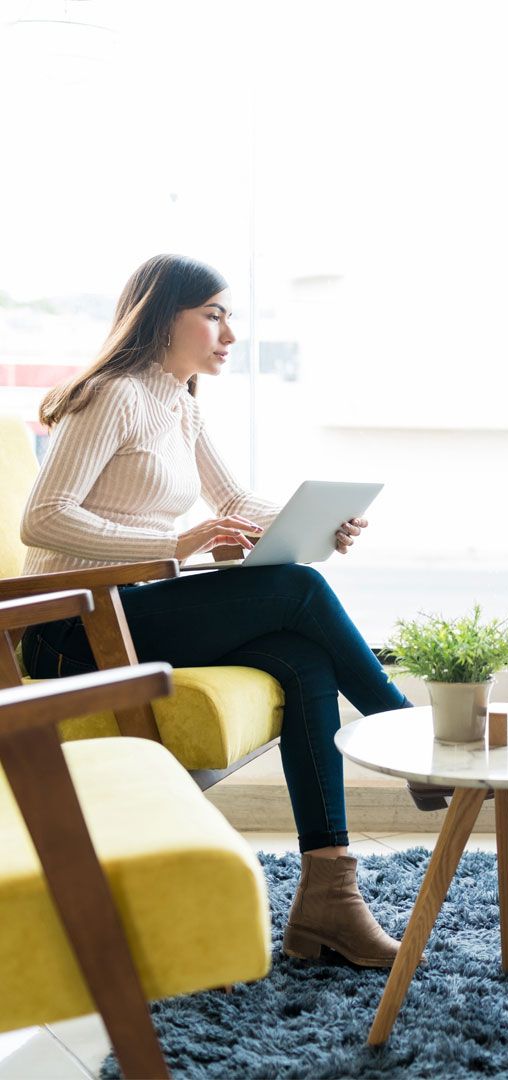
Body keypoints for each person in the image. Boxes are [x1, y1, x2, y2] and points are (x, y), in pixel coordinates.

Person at [20, 253, 419, 969]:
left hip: (127, 613)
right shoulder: (113, 394)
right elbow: (44, 519)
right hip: (65, 630)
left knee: (301, 658)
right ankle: (405, 734)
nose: (229, 331)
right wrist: (176, 541)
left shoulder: (179, 400)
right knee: (298, 593)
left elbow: (233, 503)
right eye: (213, 314)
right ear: (159, 316)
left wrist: (316, 523)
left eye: (230, 314)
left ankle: (330, 900)